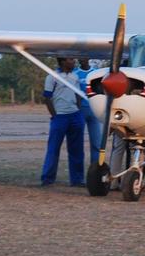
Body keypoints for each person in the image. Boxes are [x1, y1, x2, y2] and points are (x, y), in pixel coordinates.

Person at [40, 57, 85, 187]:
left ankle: (77, 179)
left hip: (75, 115)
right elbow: (47, 98)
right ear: (63, 62)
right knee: (53, 148)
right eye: (70, 60)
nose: (73, 62)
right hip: (60, 117)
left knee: (77, 149)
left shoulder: (75, 76)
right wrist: (54, 115)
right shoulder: (52, 77)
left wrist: (78, 109)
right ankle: (47, 178)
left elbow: (78, 94)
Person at [74, 59, 103, 165]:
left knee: (96, 142)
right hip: (80, 110)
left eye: (85, 57)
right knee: (78, 143)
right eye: (81, 58)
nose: (83, 60)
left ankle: (95, 167)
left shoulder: (95, 73)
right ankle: (78, 171)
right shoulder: (75, 73)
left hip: (94, 110)